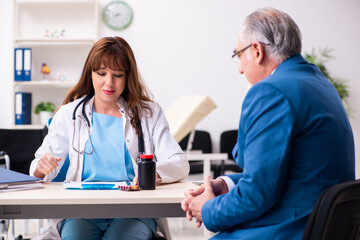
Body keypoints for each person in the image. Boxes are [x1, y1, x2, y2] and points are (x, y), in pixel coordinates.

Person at [181, 7, 355, 240]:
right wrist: (227, 184)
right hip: (321, 225)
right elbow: (288, 174)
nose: (241, 69)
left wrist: (206, 209)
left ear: (256, 50)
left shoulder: (270, 91)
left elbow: (257, 194)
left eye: (238, 56)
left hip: (288, 228)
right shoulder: (319, 83)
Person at [30, 36, 189, 240]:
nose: (109, 82)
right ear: (91, 74)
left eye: (118, 74)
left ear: (128, 76)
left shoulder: (148, 114)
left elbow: (180, 163)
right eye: (101, 73)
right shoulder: (69, 114)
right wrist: (41, 168)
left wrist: (153, 174)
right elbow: (39, 166)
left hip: (133, 210)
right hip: (81, 211)